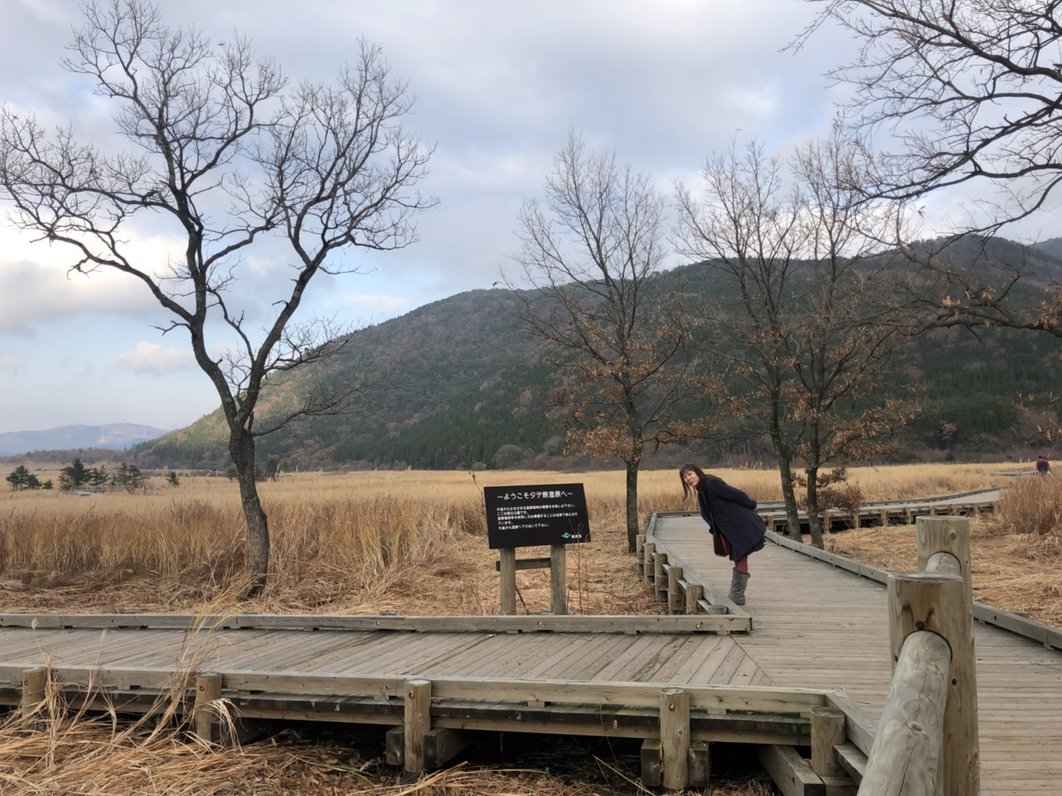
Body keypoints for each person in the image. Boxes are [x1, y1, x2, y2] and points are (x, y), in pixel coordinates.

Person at [680, 463, 766, 606]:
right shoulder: (701, 490)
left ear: (697, 472)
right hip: (730, 530)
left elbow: (736, 494)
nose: (688, 478)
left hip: (741, 525)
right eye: (684, 477)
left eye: (690, 474)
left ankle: (737, 595)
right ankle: (736, 594)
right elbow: (708, 515)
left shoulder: (712, 484)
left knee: (740, 556)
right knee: (738, 557)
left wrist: (752, 504)